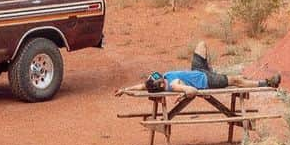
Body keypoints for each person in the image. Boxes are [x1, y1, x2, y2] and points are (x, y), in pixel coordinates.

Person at [115, 40, 281, 97]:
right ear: (160, 85)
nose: (157, 76)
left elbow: (142, 87)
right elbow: (192, 91)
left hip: (199, 71)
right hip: (207, 81)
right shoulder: (173, 84)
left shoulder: (161, 81)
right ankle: (267, 84)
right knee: (236, 80)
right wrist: (185, 93)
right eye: (157, 79)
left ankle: (211, 69)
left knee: (201, 45)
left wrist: (125, 90)